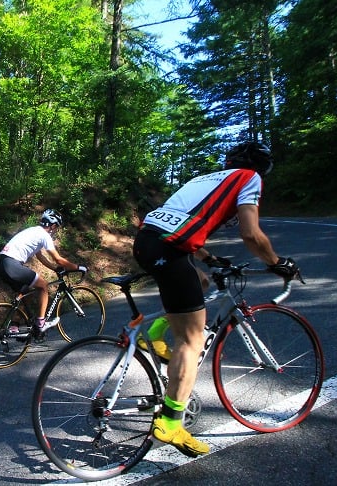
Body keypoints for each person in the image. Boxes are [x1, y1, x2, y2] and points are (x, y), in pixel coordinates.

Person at [132, 141, 299, 457]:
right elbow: (251, 234)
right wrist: (278, 263)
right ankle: (169, 422)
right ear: (260, 167)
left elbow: (176, 222)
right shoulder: (249, 177)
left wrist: (206, 258)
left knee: (197, 283)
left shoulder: (203, 179)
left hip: (149, 242)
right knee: (192, 340)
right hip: (168, 249)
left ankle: (154, 335)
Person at [0, 208, 87, 337]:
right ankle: (41, 323)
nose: (56, 230)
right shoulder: (44, 235)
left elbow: (40, 257)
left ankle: (14, 326)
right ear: (53, 225)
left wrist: (55, 269)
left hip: (2, 264)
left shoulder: (33, 232)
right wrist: (78, 267)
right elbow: (58, 259)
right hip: (12, 264)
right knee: (43, 285)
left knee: (24, 292)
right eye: (57, 228)